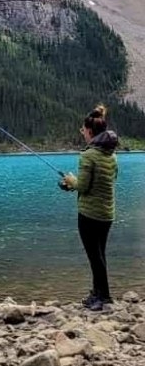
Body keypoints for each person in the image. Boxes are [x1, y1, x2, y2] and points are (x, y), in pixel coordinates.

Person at [60, 104, 118, 311]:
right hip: (107, 214)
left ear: (90, 132)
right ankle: (97, 293)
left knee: (95, 257)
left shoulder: (87, 156)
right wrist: (73, 184)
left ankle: (104, 297)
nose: (82, 132)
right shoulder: (112, 156)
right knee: (100, 254)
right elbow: (108, 181)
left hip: (89, 215)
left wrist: (70, 180)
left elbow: (83, 187)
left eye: (83, 130)